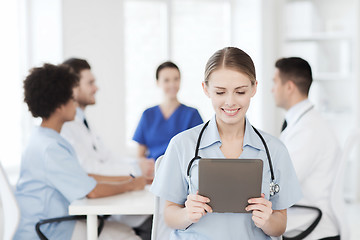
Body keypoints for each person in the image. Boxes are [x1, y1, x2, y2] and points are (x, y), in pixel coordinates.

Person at [150, 47, 302, 239]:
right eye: (220, 92)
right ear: (206, 89)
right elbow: (169, 216)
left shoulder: (275, 150)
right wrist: (186, 214)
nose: (230, 102)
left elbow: (280, 225)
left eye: (240, 92)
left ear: (254, 88)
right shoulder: (182, 145)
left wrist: (268, 220)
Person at [14, 63, 146, 240]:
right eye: (71, 99)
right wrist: (130, 185)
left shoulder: (45, 138)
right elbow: (92, 191)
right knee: (128, 236)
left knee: (123, 229)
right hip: (48, 228)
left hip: (49, 222)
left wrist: (131, 180)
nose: (75, 104)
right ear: (59, 106)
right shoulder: (50, 148)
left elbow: (84, 177)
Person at [60, 58, 152, 240]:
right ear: (74, 87)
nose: (96, 88)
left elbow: (107, 157)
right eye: (91, 83)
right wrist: (136, 171)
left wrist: (137, 165)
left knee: (152, 218)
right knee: (148, 225)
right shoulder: (67, 127)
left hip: (97, 205)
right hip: (81, 213)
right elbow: (90, 169)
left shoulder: (83, 122)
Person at [272, 57, 341, 239]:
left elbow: (283, 182)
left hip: (313, 228)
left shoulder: (308, 130)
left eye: (275, 82)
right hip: (305, 221)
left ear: (289, 87)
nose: (272, 89)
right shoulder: (302, 123)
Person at [133, 61, 203, 177]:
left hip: (182, 174)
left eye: (176, 79)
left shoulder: (192, 114)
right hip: (154, 176)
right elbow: (140, 156)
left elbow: (200, 151)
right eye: (166, 80)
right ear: (157, 83)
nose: (172, 84)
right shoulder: (148, 115)